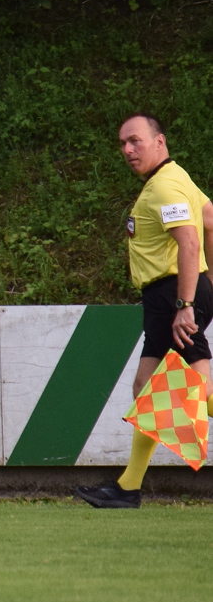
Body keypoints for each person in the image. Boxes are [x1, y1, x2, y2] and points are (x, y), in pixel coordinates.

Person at [76, 114, 212, 509]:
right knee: (147, 388)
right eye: (122, 143)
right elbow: (210, 219)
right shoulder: (174, 178)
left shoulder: (165, 186)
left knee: (191, 389)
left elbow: (190, 243)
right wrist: (209, 283)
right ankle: (128, 488)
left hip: (175, 295)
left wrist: (187, 304)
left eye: (135, 140)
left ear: (160, 141)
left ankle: (127, 488)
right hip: (171, 296)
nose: (127, 150)